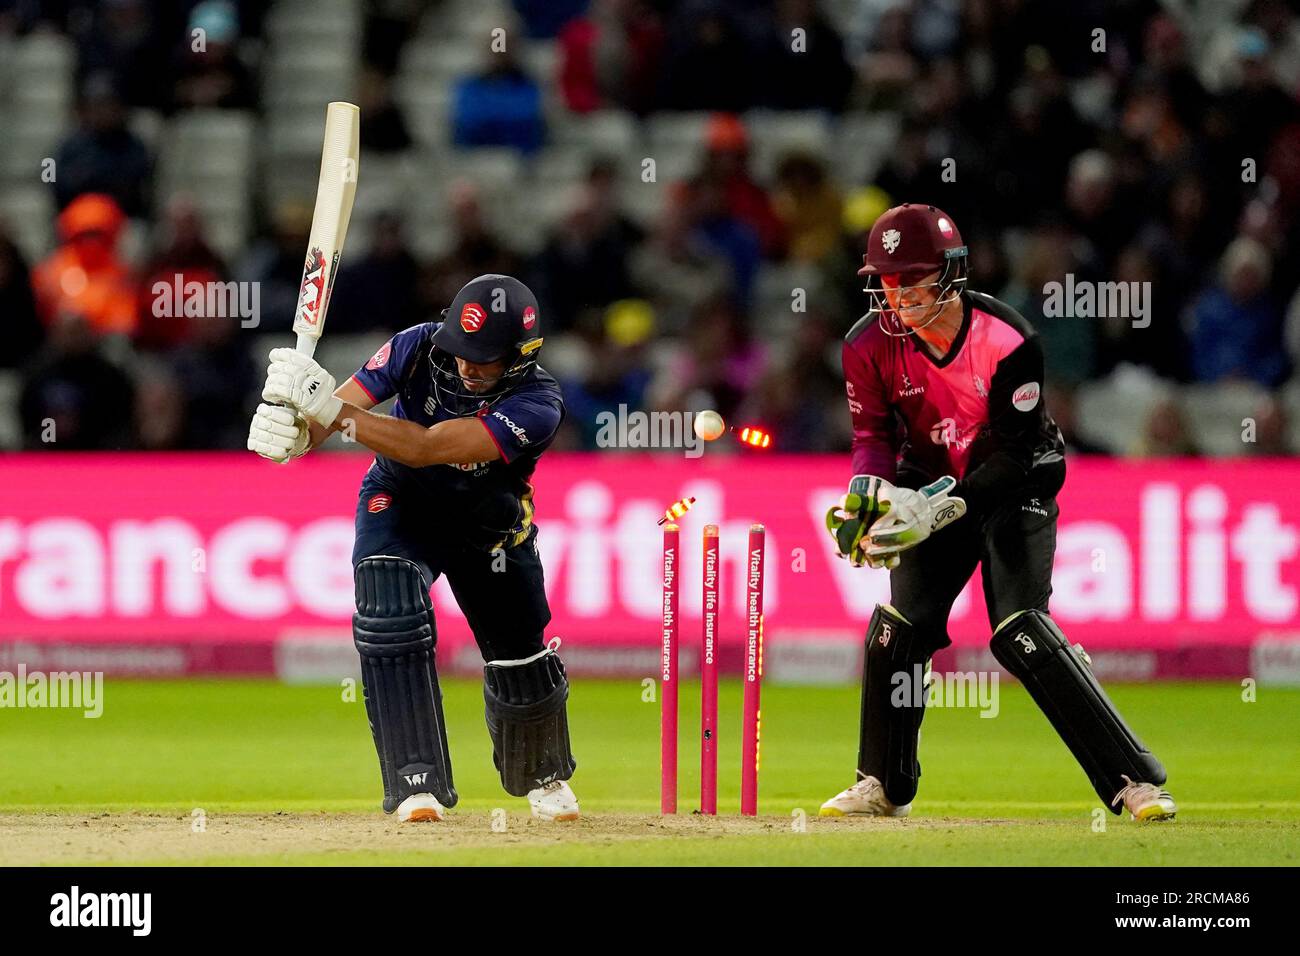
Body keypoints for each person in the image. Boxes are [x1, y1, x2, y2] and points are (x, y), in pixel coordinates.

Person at [823, 204, 1177, 822]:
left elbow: (1015, 454)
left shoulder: (1007, 339)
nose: (895, 293)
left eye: (911, 278)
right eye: (885, 278)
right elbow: (873, 436)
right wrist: (867, 497)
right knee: (898, 627)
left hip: (1018, 483)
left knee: (1020, 630)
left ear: (951, 274)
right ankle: (882, 783)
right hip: (930, 481)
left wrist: (942, 509)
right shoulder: (867, 344)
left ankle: (1135, 781)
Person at [247, 275, 579, 823]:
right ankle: (414, 783)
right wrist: (295, 431)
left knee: (518, 655)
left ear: (520, 357)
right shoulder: (418, 344)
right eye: (462, 352)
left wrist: (329, 411)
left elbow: (429, 448)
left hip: (490, 530)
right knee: (390, 614)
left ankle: (542, 776)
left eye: (485, 359)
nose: (468, 367)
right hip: (401, 506)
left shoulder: (538, 403)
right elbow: (335, 413)